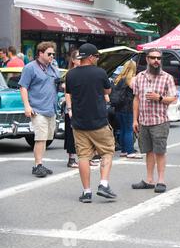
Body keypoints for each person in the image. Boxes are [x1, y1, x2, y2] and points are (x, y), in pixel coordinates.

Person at [65, 43, 117, 203]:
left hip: (79, 122)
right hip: (99, 121)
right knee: (107, 151)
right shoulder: (100, 72)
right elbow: (108, 91)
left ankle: (87, 192)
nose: (97, 59)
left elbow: (69, 92)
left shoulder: (71, 74)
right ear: (90, 57)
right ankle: (103, 183)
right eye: (96, 56)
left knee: (83, 157)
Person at [132, 48, 177, 193]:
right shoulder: (139, 77)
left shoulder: (167, 77)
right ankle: (149, 180)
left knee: (160, 151)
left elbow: (174, 98)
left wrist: (160, 98)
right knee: (148, 151)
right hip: (144, 121)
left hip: (160, 121)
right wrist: (135, 120)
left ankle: (161, 180)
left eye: (158, 58)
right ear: (147, 59)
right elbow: (136, 99)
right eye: (153, 58)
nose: (156, 61)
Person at [18, 41, 60, 178]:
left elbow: (58, 83)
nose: (52, 56)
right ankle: (38, 165)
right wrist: (27, 106)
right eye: (49, 54)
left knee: (47, 138)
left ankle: (40, 163)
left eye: (53, 54)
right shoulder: (30, 67)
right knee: (40, 139)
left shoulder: (53, 67)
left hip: (51, 108)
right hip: (37, 108)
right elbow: (23, 87)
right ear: (40, 53)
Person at [113, 60, 142, 159]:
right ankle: (130, 151)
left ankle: (123, 150)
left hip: (118, 107)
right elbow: (137, 94)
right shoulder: (132, 80)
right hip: (129, 108)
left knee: (122, 129)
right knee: (129, 129)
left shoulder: (119, 79)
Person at [64, 50, 81, 168]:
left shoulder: (84, 72)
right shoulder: (70, 73)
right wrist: (69, 109)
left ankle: (85, 157)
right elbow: (67, 93)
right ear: (73, 60)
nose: (81, 59)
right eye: (79, 58)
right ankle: (71, 158)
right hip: (72, 106)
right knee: (71, 133)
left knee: (83, 133)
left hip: (82, 106)